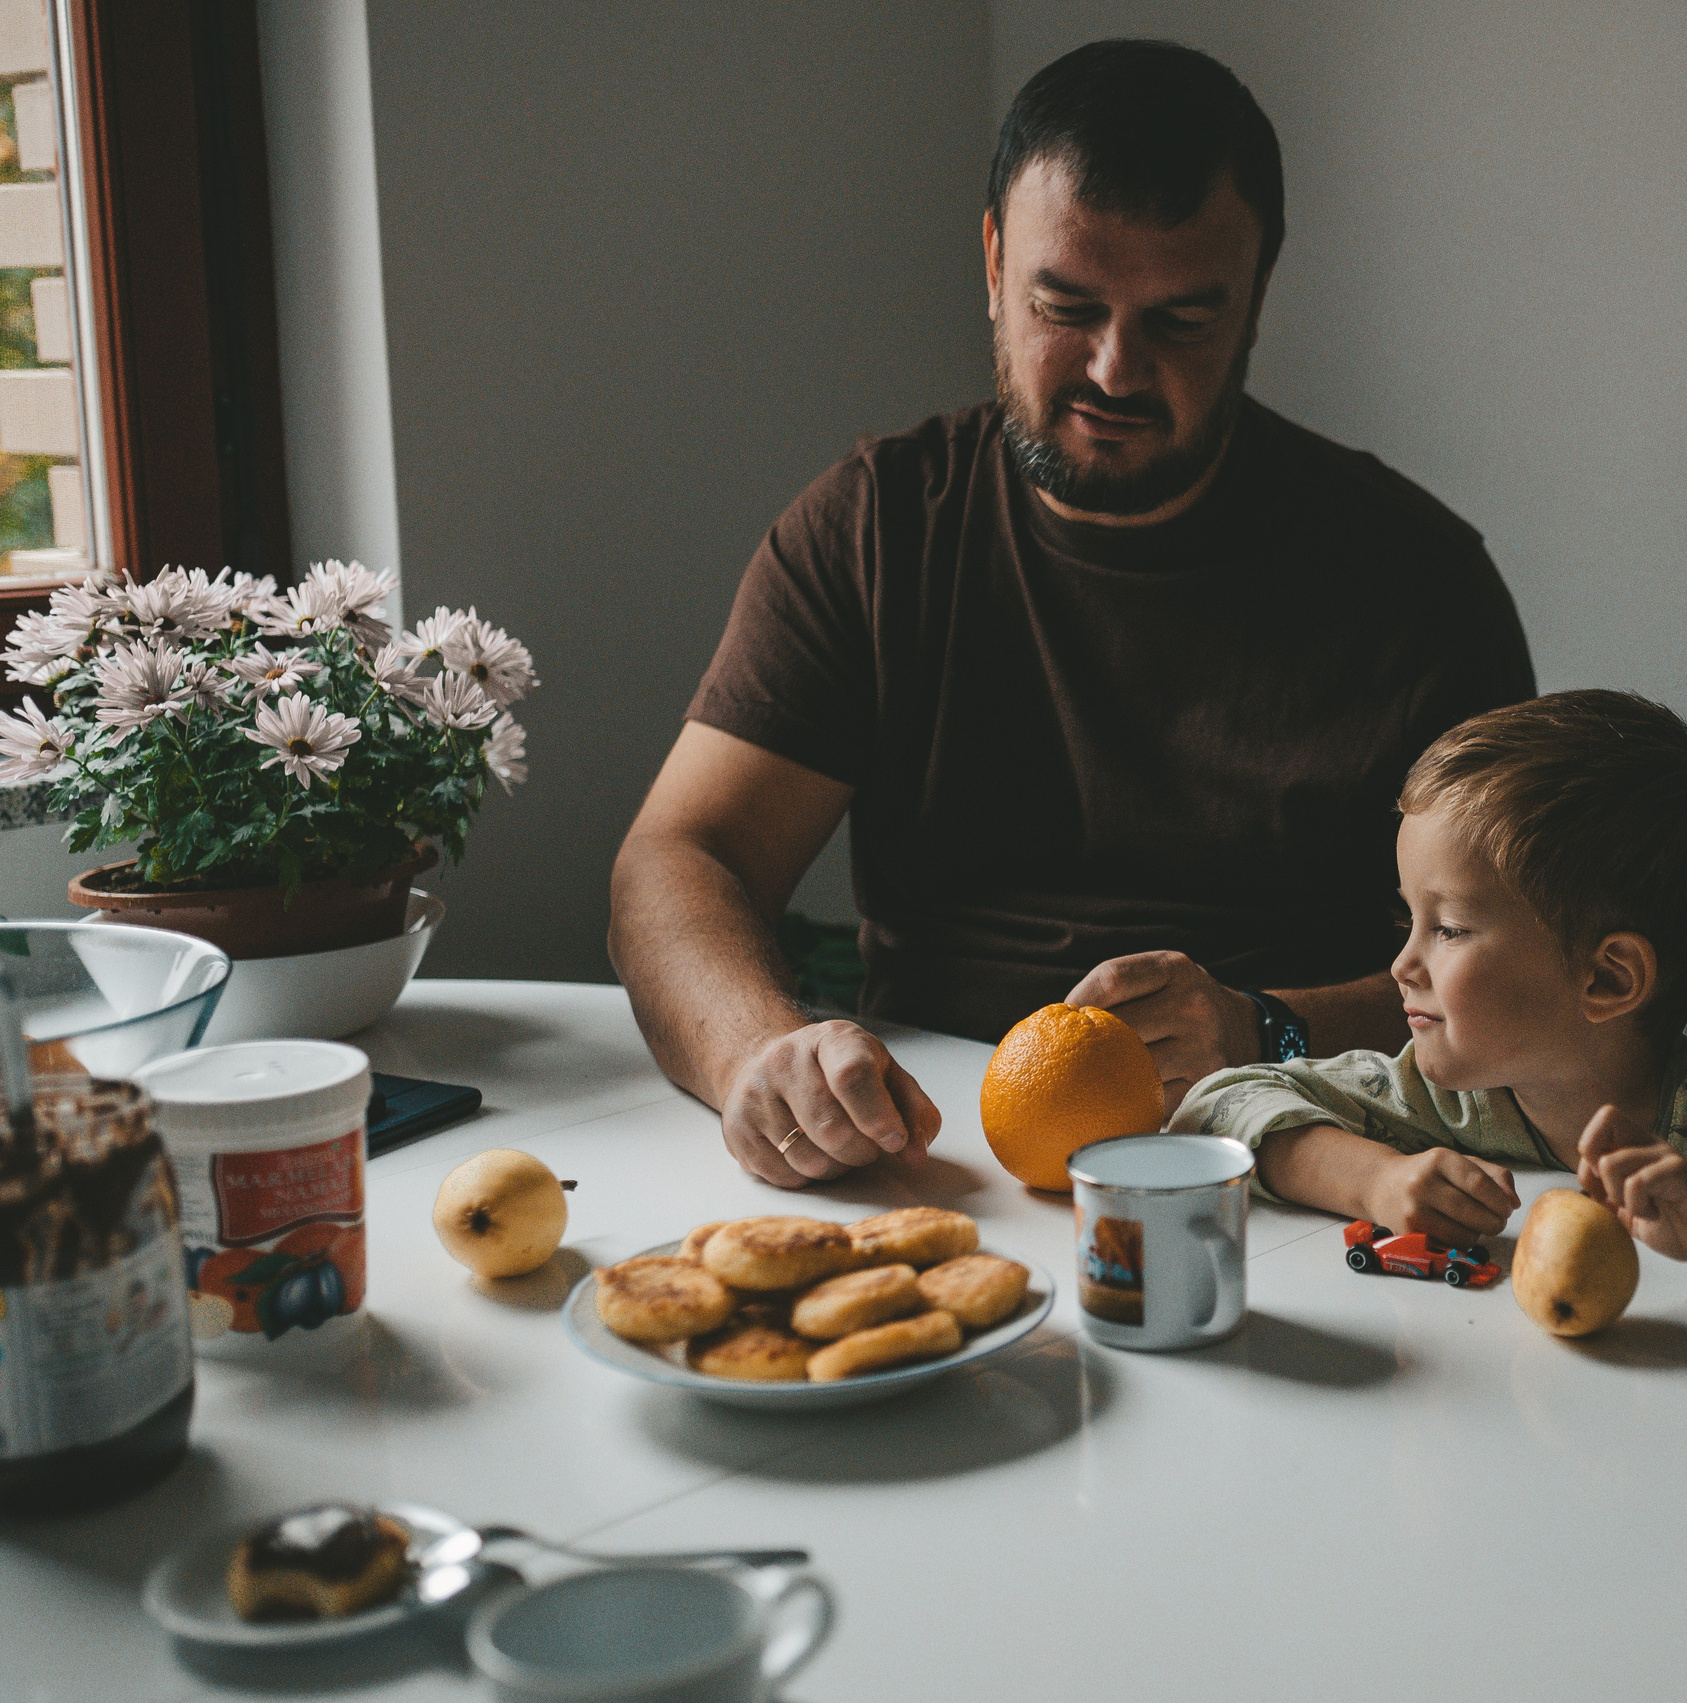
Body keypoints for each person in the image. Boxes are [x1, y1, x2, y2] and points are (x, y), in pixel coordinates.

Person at [609, 40, 1533, 1189]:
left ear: (1259, 293)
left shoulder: (1417, 583)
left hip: (1306, 1159)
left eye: (1182, 321)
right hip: (930, 1152)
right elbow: (679, 856)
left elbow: (1527, 963)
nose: (1114, 369)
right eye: (1067, 305)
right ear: (994, 263)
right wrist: (759, 1053)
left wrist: (1266, 1026)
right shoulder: (876, 526)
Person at [1170, 691, 1687, 1332]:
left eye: (1449, 927)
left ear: (1608, 979)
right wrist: (1376, 1178)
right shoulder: (1432, 1095)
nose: (1401, 965)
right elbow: (1217, 1103)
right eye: (1407, 921)